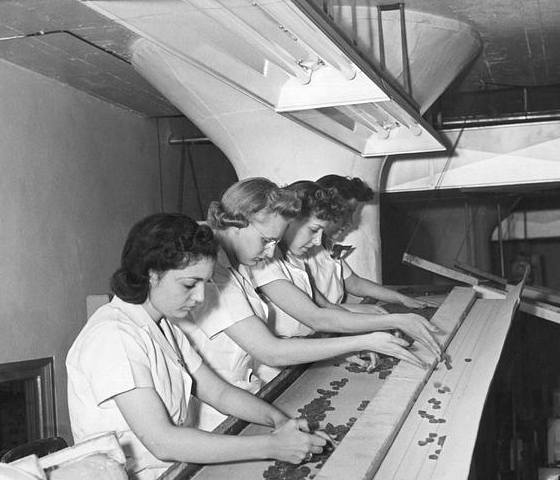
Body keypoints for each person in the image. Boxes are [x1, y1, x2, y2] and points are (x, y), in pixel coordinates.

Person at [66, 213, 326, 480]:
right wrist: (272, 447)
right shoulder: (114, 336)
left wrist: (279, 421)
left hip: (167, 475)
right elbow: (162, 442)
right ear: (152, 275)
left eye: (205, 283)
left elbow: (219, 392)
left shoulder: (163, 326)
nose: (201, 297)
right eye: (190, 284)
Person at [177, 178, 428, 429]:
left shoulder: (238, 263)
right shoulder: (212, 275)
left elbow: (313, 315)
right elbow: (271, 351)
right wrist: (364, 339)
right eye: (266, 241)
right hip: (215, 413)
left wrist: (343, 349)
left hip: (244, 394)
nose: (269, 253)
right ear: (239, 223)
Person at [245, 180, 442, 352]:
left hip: (309, 343)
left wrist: (360, 338)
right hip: (285, 353)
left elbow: (327, 306)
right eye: (313, 230)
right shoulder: (265, 260)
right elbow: (316, 317)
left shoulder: (296, 257)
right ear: (291, 220)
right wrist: (391, 323)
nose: (317, 241)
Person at [314, 174, 426, 310]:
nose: (350, 222)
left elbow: (355, 284)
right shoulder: (301, 251)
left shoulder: (326, 248)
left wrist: (402, 299)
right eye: (347, 212)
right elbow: (316, 312)